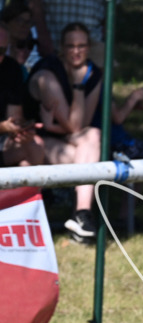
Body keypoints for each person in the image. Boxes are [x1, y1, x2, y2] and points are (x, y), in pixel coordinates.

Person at [25, 21, 101, 242]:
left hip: (67, 140)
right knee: (88, 152)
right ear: (61, 48)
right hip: (37, 143)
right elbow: (75, 126)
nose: (76, 51)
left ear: (89, 47)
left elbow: (81, 125)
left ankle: (82, 213)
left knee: (94, 135)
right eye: (70, 46)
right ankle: (82, 219)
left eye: (82, 45)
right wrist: (78, 86)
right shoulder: (47, 74)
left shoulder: (93, 73)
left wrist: (58, 126)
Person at [0, 24, 44, 167]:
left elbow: (14, 118)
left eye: (1, 50)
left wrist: (20, 130)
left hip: (3, 145)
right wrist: (4, 127)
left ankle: (35, 190)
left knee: (34, 146)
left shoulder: (11, 69)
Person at [35, 0, 106, 65]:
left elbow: (111, 7)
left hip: (93, 43)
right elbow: (35, 3)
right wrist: (42, 34)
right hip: (54, 43)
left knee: (96, 78)